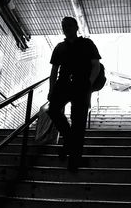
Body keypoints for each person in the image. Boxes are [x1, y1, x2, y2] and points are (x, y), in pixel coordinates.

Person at [47, 17, 101, 171]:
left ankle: (74, 161)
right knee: (53, 110)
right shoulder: (59, 47)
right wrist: (51, 90)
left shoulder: (87, 44)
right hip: (62, 84)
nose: (66, 28)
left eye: (69, 25)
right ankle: (70, 141)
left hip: (81, 85)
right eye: (64, 26)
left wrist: (89, 84)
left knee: (78, 123)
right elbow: (53, 70)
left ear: (76, 27)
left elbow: (96, 65)